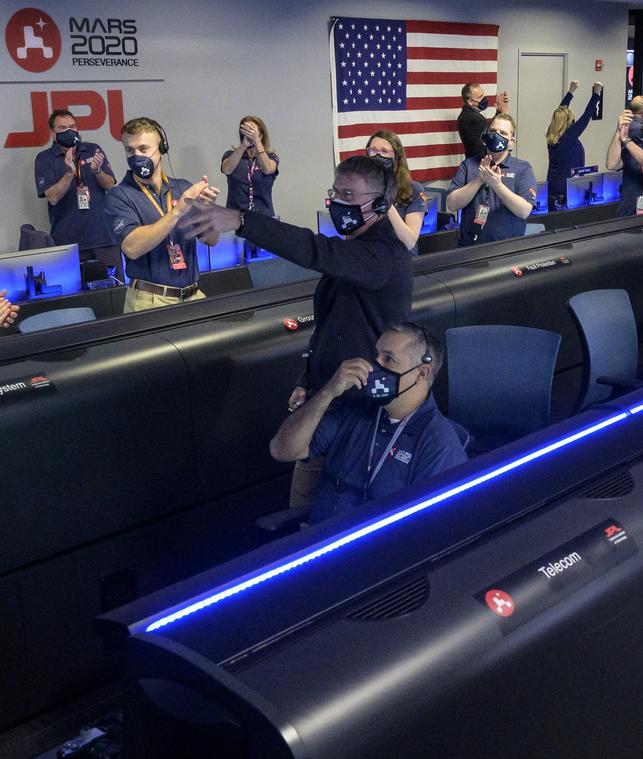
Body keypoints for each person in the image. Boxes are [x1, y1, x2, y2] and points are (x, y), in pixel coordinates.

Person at [182, 155, 415, 510]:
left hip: (360, 416)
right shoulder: (353, 248)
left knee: (334, 517)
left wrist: (241, 220)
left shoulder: (384, 256)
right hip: (325, 401)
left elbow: (314, 249)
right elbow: (331, 324)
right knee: (302, 513)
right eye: (335, 192)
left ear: (380, 204)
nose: (338, 202)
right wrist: (307, 379)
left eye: (349, 195)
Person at [268, 323, 467, 525]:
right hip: (318, 541)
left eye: (388, 359)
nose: (374, 366)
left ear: (422, 373)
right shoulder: (355, 407)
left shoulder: (439, 445)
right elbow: (282, 450)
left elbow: (430, 529)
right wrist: (328, 392)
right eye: (376, 355)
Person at [104, 117, 221, 312]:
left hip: (193, 295)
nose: (136, 156)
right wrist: (178, 210)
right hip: (149, 301)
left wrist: (207, 212)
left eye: (143, 149)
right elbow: (132, 247)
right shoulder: (119, 195)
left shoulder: (182, 187)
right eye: (129, 150)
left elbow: (211, 240)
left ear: (161, 150)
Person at [33, 108, 120, 273]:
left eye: (72, 127)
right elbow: (52, 198)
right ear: (53, 133)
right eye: (62, 128)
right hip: (69, 242)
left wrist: (97, 171)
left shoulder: (93, 149)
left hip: (104, 237)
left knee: (114, 293)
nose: (68, 131)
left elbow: (110, 185)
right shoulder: (45, 158)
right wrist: (68, 173)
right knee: (78, 297)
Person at [446, 113, 536, 246]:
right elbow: (452, 204)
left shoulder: (523, 169)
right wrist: (479, 180)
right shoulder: (469, 165)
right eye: (493, 131)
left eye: (503, 133)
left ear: (511, 141)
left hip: (508, 248)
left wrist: (497, 185)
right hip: (470, 247)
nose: (496, 135)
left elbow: (524, 211)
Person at [545, 80, 604, 211]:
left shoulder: (551, 135)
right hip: (566, 191)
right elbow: (587, 115)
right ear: (568, 121)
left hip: (553, 188)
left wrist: (571, 92)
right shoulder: (568, 137)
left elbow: (560, 111)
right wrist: (597, 93)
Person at [366, 130, 429, 251]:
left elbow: (409, 242)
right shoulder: (361, 189)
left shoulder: (414, 190)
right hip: (370, 258)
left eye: (384, 151)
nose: (377, 155)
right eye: (373, 150)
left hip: (401, 260)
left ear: (396, 156)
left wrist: (386, 202)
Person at [220, 116, 279, 221]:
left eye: (252, 131)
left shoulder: (271, 157)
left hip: (264, 217)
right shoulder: (231, 155)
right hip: (235, 218)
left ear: (261, 135)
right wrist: (243, 146)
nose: (249, 134)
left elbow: (268, 169)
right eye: (245, 131)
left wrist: (256, 141)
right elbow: (226, 169)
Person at [456, 82, 509, 160]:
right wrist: (504, 113)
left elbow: (489, 129)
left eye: (483, 95)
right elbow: (494, 137)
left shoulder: (465, 115)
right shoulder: (474, 118)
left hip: (474, 163)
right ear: (470, 101)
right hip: (481, 164)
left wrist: (499, 112)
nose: (484, 98)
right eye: (480, 97)